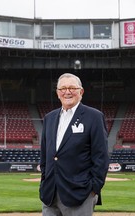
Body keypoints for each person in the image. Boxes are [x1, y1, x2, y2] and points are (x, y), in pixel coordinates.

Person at [39, 73, 109, 216]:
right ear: (57, 93)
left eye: (72, 87)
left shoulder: (94, 116)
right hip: (50, 193)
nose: (67, 92)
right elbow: (45, 154)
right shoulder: (49, 118)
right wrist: (44, 181)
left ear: (81, 91)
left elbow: (101, 156)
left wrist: (94, 188)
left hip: (80, 194)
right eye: (63, 88)